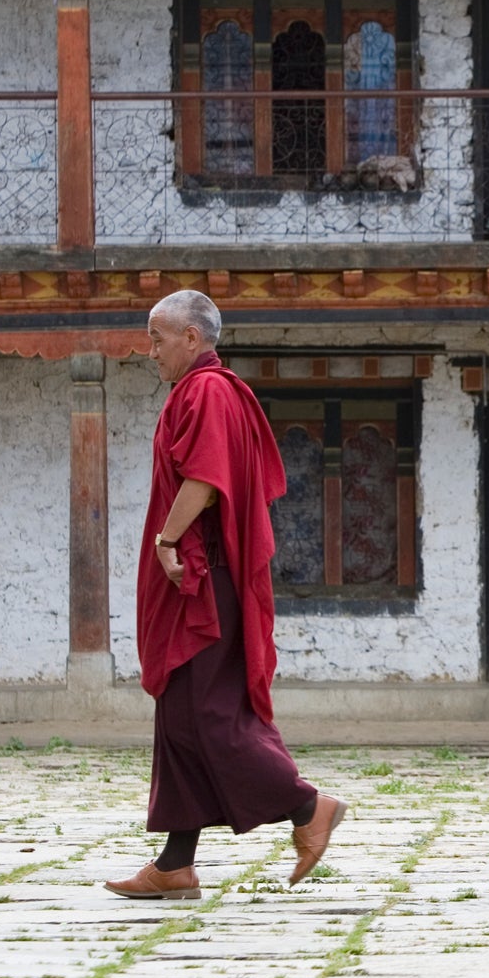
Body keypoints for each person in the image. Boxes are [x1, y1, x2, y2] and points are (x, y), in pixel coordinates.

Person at [104, 290, 347, 901]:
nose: (150, 351)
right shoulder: (202, 389)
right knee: (183, 716)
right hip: (199, 578)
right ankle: (175, 864)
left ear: (192, 338)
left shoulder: (208, 390)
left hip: (203, 581)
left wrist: (166, 539)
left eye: (157, 338)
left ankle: (307, 806)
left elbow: (205, 479)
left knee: (210, 716)